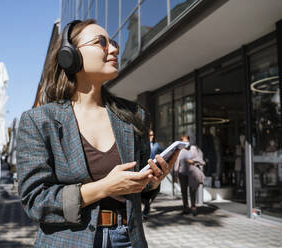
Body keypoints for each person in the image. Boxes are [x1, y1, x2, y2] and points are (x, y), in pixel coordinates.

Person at [17, 19, 173, 248]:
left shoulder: (134, 115)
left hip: (127, 239)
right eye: (101, 42)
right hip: (67, 240)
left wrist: (153, 180)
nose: (114, 49)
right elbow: (35, 201)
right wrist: (105, 187)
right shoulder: (39, 121)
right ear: (70, 56)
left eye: (113, 42)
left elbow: (138, 190)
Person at [174, 135, 203, 216]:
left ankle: (193, 207)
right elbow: (176, 163)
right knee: (184, 191)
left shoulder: (193, 149)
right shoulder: (179, 150)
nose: (186, 143)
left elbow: (199, 160)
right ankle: (185, 208)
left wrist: (193, 161)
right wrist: (175, 175)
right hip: (182, 173)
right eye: (184, 141)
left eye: (187, 141)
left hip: (192, 174)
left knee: (192, 190)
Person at [141, 129, 164, 219]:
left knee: (156, 190)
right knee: (145, 194)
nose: (152, 137)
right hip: (145, 171)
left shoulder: (156, 145)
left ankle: (147, 204)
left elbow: (163, 153)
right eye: (150, 135)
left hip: (155, 171)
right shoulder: (142, 145)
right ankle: (146, 210)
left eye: (153, 135)